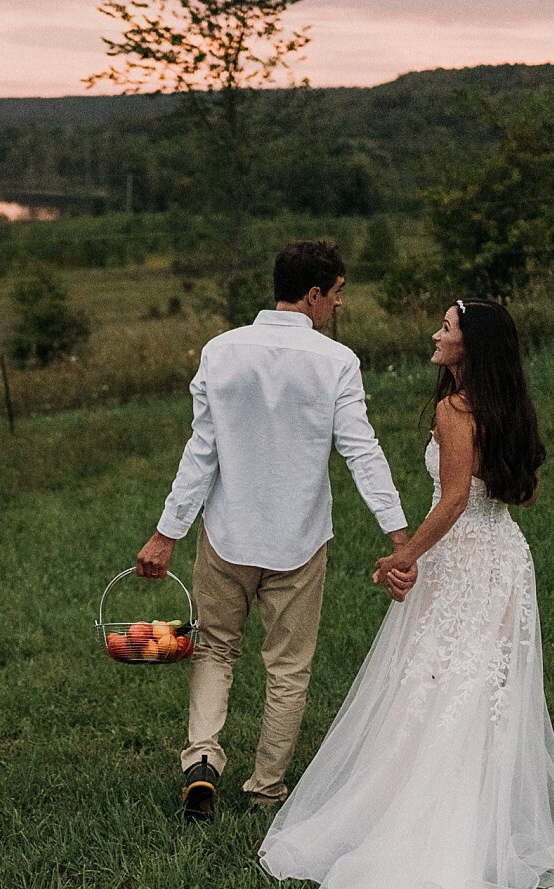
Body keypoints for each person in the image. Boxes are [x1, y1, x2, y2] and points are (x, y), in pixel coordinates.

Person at [258, 299, 554, 889]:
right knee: (477, 693)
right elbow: (520, 494)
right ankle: (476, 818)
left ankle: (424, 826)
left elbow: (449, 501)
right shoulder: (508, 406)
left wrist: (404, 555)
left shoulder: (454, 410)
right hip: (504, 562)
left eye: (447, 327)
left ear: (469, 345)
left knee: (433, 686)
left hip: (461, 562)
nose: (437, 334)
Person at [135, 240, 415, 819]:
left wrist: (167, 534)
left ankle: (203, 760)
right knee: (287, 668)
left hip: (227, 536)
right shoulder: (336, 361)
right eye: (336, 294)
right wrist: (397, 533)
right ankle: (265, 790)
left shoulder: (220, 351)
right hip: (299, 542)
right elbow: (361, 452)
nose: (338, 307)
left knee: (214, 649)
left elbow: (201, 451)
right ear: (314, 294)